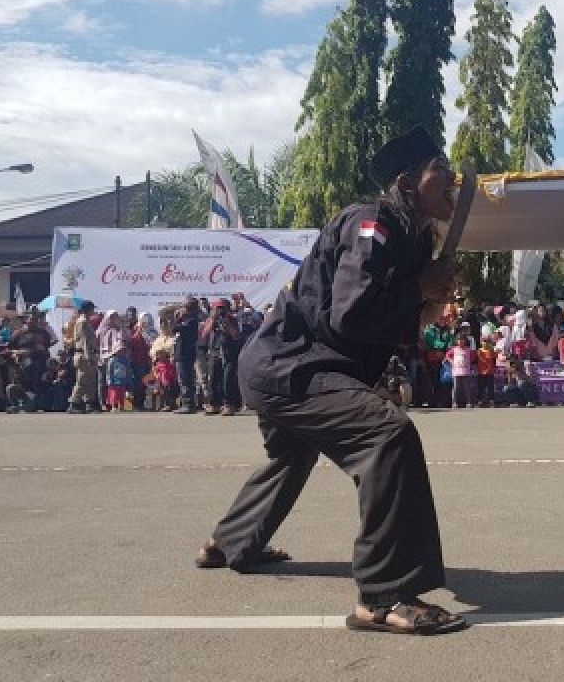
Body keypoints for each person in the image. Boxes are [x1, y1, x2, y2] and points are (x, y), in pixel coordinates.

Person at [195, 126, 465, 636]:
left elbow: (395, 317)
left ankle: (228, 543)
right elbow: (353, 313)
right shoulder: (374, 220)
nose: (451, 178)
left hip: (287, 365)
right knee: (388, 435)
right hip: (291, 365)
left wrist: (429, 296)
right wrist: (417, 288)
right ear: (408, 184)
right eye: (440, 168)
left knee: (289, 458)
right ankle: (384, 597)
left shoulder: (409, 236)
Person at [201, 299, 243, 416]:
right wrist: (213, 320)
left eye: (222, 308)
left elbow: (236, 335)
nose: (220, 311)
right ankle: (214, 404)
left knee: (228, 380)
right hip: (215, 352)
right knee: (213, 380)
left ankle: (229, 405)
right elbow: (204, 335)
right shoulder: (210, 320)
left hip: (229, 353)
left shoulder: (233, 320)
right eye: (217, 308)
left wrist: (226, 322)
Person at [68, 301, 100, 413]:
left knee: (90, 380)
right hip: (83, 354)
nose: (93, 311)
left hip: (88, 353)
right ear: (88, 310)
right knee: (82, 380)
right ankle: (74, 403)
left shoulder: (86, 321)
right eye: (92, 309)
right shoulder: (82, 322)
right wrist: (88, 357)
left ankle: (89, 403)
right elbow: (84, 340)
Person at [173, 297, 200, 414]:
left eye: (183, 307)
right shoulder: (186, 320)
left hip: (186, 355)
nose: (181, 309)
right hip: (180, 354)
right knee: (183, 380)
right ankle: (186, 403)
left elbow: (175, 328)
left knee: (186, 380)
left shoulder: (192, 321)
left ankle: (188, 404)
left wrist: (177, 319)